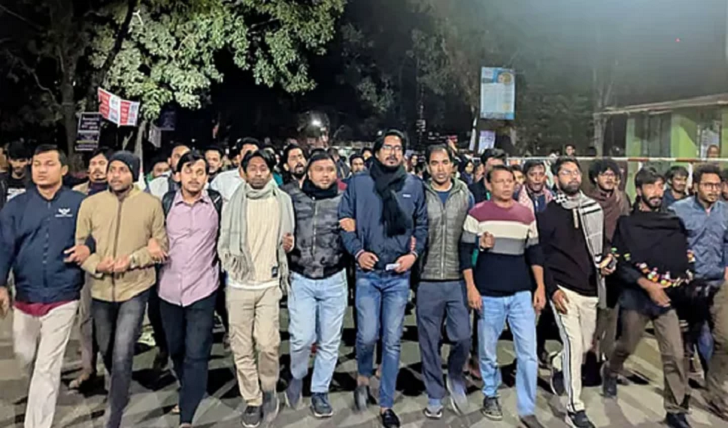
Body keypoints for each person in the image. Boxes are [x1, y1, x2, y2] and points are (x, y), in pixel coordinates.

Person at [339, 129, 427, 428]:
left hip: (398, 276)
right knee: (366, 336)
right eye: (387, 147)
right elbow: (344, 222)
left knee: (392, 341)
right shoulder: (359, 183)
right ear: (376, 152)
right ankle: (364, 375)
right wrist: (357, 252)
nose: (392, 152)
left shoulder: (413, 185)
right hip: (367, 273)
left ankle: (386, 404)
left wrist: (413, 255)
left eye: (398, 147)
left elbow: (421, 226)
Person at [74, 151, 168, 428]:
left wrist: (133, 260)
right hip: (100, 289)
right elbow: (80, 246)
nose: (115, 175)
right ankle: (119, 385)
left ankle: (114, 409)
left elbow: (160, 246)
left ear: (134, 174)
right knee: (106, 347)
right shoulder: (90, 204)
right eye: (112, 169)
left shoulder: (151, 204)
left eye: (122, 170)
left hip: (135, 289)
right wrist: (96, 265)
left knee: (123, 349)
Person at [0, 145, 85, 428]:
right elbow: (4, 247)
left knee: (47, 367)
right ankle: (39, 393)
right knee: (26, 358)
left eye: (49, 164)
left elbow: (95, 235)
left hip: (63, 295)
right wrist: (1, 284)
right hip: (25, 297)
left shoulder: (78, 203)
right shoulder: (16, 206)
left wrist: (88, 248)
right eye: (37, 164)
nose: (41, 169)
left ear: (63, 169)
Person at [603, 167, 692, 428]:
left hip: (667, 299)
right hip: (636, 298)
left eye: (660, 186)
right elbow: (621, 264)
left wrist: (680, 279)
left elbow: (682, 257)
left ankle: (675, 410)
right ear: (639, 190)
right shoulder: (627, 224)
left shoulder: (672, 222)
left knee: (675, 354)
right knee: (626, 346)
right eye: (651, 186)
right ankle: (611, 370)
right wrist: (647, 285)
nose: (657, 192)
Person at [461, 165, 546, 428]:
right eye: (500, 181)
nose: (507, 185)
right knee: (488, 351)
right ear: (489, 185)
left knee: (528, 353)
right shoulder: (477, 214)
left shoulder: (526, 215)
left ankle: (527, 408)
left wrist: (540, 287)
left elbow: (534, 252)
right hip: (489, 293)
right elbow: (464, 252)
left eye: (510, 181)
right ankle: (490, 394)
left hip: (521, 293)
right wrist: (471, 287)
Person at [218, 149, 294, 428]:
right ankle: (252, 399)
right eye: (253, 168)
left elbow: (288, 239)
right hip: (238, 284)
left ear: (270, 171)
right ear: (244, 172)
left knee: (267, 343)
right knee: (241, 346)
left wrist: (288, 246)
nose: (259, 173)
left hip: (268, 284)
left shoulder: (282, 200)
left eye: (263, 168)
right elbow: (224, 241)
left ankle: (269, 387)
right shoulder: (233, 203)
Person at [538, 157, 614, 428]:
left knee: (583, 347)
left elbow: (603, 245)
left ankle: (558, 363)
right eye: (565, 172)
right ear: (556, 179)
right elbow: (540, 256)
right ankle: (574, 408)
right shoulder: (548, 214)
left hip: (591, 289)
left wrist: (609, 261)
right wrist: (552, 290)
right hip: (564, 290)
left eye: (575, 172)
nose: (572, 176)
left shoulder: (593, 208)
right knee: (574, 344)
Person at [158, 151, 222, 427]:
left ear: (207, 177)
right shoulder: (166, 203)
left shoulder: (216, 203)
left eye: (200, 172)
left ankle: (187, 415)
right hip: (168, 288)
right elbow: (153, 234)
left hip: (203, 288)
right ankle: (189, 387)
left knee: (197, 351)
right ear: (178, 175)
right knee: (176, 348)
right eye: (188, 171)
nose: (194, 177)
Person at [283, 152, 347, 418]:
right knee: (301, 337)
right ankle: (297, 375)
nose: (325, 174)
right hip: (301, 278)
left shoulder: (345, 200)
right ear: (308, 172)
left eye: (330, 169)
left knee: (329, 342)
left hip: (334, 277)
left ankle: (320, 390)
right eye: (319, 169)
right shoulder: (290, 197)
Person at [416, 145, 473, 419]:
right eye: (435, 163)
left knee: (462, 336)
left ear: (452, 165)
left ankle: (455, 374)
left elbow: (473, 231)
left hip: (457, 277)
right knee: (429, 341)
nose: (440, 168)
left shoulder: (465, 194)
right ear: (428, 167)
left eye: (444, 162)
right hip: (427, 279)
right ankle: (435, 394)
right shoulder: (419, 193)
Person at [670, 163, 728, 421]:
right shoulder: (678, 211)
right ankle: (678, 399)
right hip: (688, 286)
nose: (714, 190)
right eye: (708, 185)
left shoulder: (725, 211)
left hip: (719, 284)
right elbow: (670, 244)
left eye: (717, 185)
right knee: (684, 345)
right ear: (695, 186)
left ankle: (715, 392)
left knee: (725, 339)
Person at [69, 147, 114, 390]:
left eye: (102, 164)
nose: (97, 169)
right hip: (85, 266)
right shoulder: (77, 194)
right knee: (85, 319)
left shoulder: (119, 193)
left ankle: (112, 375)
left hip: (113, 265)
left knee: (108, 321)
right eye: (93, 164)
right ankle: (88, 368)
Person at [586, 158, 630, 362]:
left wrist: (615, 255)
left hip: (616, 259)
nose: (610, 178)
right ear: (596, 178)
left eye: (613, 175)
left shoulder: (621, 200)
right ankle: (589, 352)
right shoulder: (587, 202)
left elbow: (626, 229)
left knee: (612, 310)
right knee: (595, 310)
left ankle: (606, 355)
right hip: (592, 261)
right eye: (605, 174)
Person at [210, 138, 261, 203]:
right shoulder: (222, 180)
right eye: (248, 153)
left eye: (256, 154)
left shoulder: (266, 181)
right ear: (238, 157)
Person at [0, 140, 32, 209]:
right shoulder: (1, 182)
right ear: (9, 160)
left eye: (22, 161)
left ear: (29, 161)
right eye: (14, 160)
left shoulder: (35, 183)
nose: (17, 165)